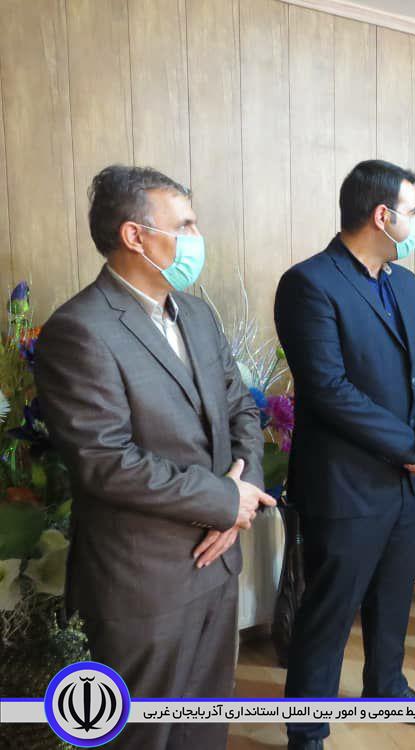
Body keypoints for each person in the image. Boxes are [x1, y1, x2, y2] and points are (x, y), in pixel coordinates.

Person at [34, 165, 271, 750]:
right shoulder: (79, 329)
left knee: (204, 723)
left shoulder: (198, 313)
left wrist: (240, 502)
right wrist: (223, 500)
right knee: (141, 733)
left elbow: (242, 409)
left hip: (218, 562)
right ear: (135, 236)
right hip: (143, 583)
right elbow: (104, 460)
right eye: (184, 225)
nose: (196, 237)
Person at [276, 159, 415, 750]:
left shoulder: (406, 283)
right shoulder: (309, 282)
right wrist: (408, 445)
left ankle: (386, 686)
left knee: (394, 593)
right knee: (330, 608)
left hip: (406, 475)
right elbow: (327, 389)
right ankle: (307, 728)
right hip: (345, 481)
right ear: (382, 215)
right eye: (413, 211)